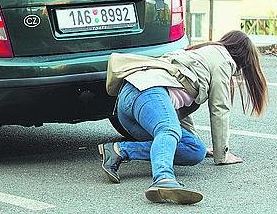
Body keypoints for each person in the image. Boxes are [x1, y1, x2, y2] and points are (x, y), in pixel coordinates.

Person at [98, 30, 268, 204]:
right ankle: (163, 179)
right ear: (243, 58)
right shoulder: (223, 60)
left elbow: (177, 109)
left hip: (130, 107)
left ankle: (119, 150)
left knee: (195, 150)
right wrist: (222, 154)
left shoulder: (200, 53)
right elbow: (219, 108)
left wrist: (198, 141)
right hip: (147, 91)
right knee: (168, 129)